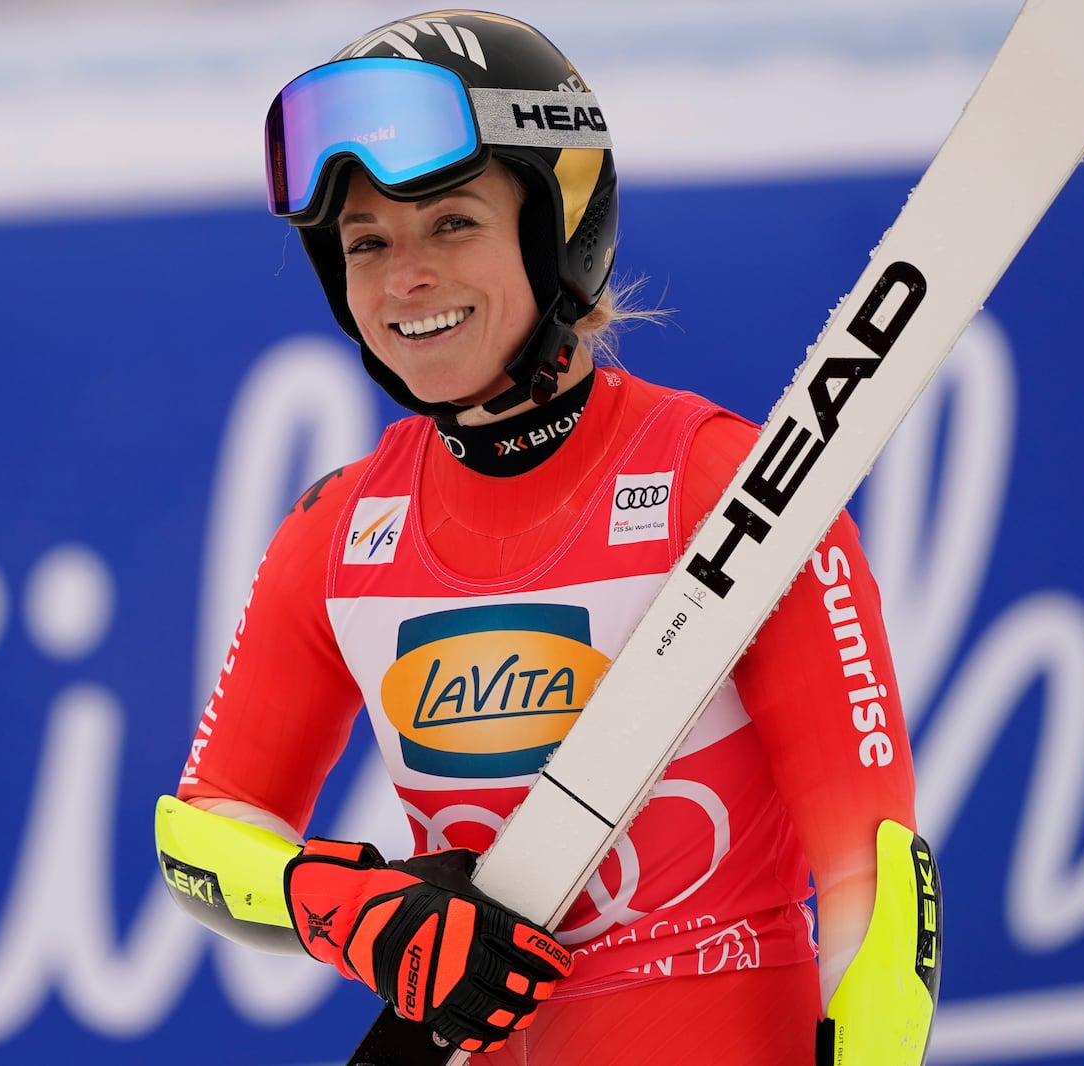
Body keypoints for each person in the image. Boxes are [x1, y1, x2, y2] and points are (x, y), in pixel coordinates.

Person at [155, 11, 941, 1064]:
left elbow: (880, 885)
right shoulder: (337, 534)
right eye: (368, 242)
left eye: (452, 224)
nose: (404, 278)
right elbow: (201, 836)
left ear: (556, 227)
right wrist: (357, 910)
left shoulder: (729, 487)